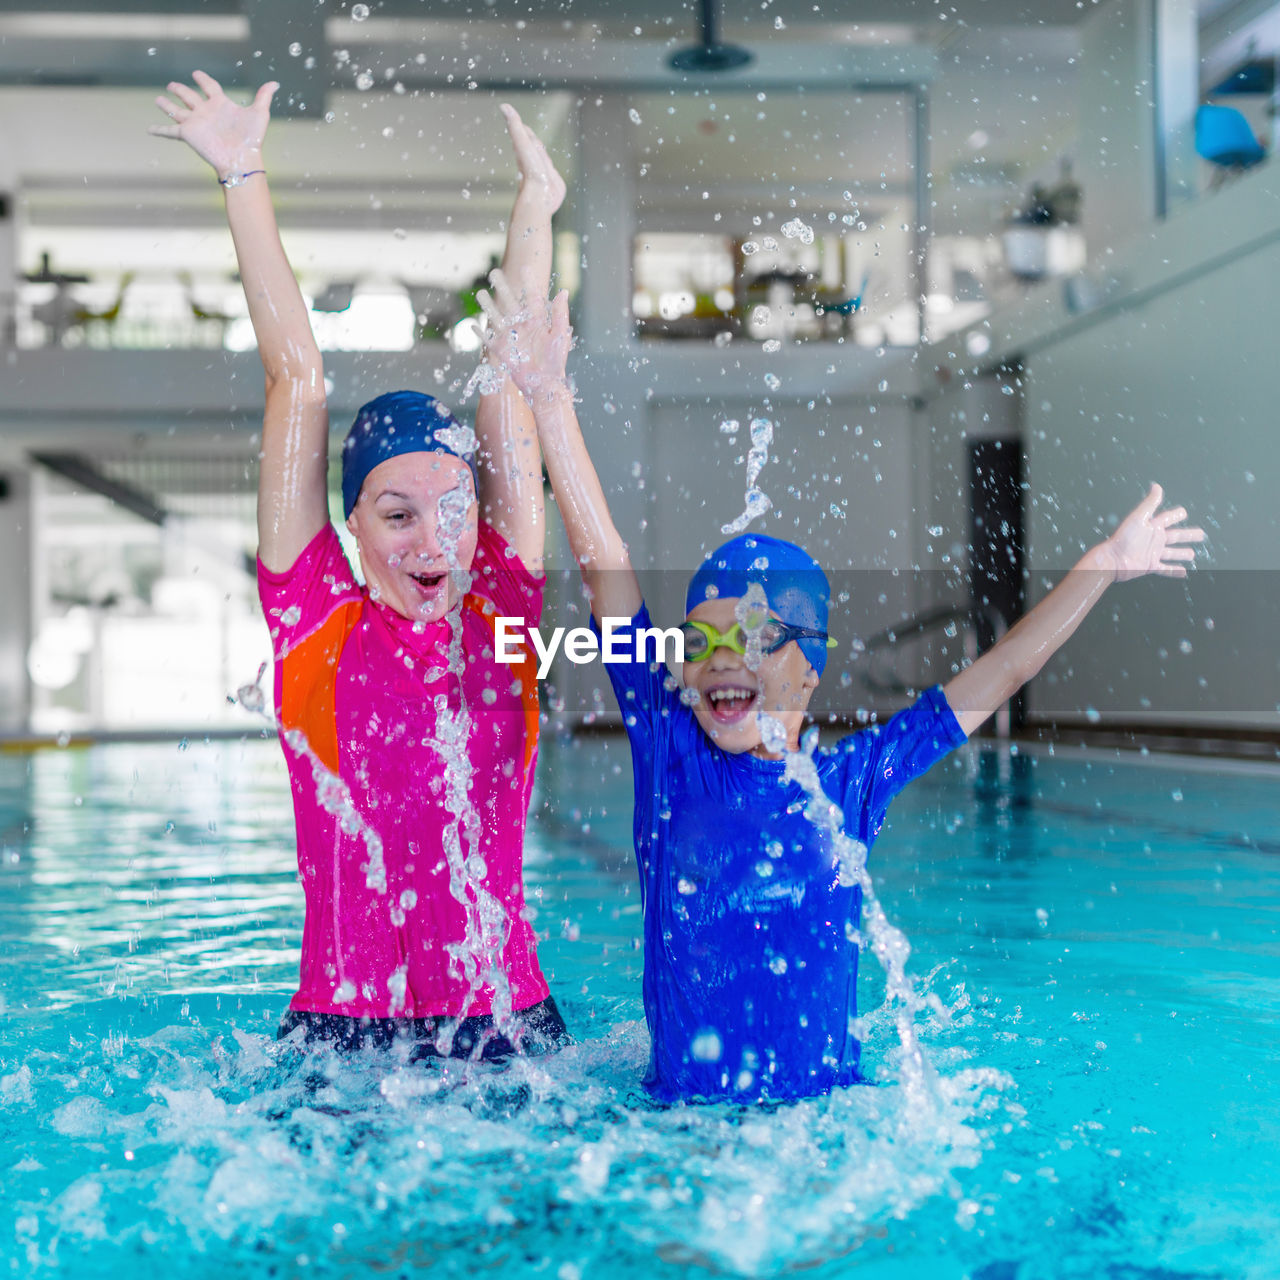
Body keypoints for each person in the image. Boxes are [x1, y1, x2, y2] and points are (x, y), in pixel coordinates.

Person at [479, 272, 1206, 1102]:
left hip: (822, 1130)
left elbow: (1003, 670)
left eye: (754, 638)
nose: (724, 659)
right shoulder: (667, 748)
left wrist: (1101, 568)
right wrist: (549, 399)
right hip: (678, 1127)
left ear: (808, 668)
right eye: (704, 640)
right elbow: (599, 549)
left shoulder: (849, 782)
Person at [151, 73, 569, 1060]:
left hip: (508, 1025)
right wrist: (242, 175)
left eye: (456, 510)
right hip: (346, 1033)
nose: (433, 542)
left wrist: (536, 209)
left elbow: (513, 379)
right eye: (397, 514)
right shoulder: (314, 619)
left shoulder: (505, 607)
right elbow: (295, 373)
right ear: (349, 526)